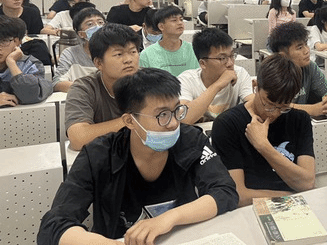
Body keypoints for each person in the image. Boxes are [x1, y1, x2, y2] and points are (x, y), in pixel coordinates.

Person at [39, 67, 238, 245]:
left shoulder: (191, 140)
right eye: (162, 115)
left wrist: (170, 218)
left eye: (177, 110)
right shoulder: (99, 154)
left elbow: (225, 191)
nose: (173, 123)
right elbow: (54, 225)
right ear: (130, 121)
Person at [211, 54, 315, 207]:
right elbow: (238, 195)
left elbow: (307, 182)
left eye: (284, 107)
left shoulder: (300, 120)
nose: (275, 113)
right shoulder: (227, 124)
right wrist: (290, 197)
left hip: (296, 206)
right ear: (256, 86)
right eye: (269, 104)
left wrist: (263, 145)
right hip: (251, 209)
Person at [65, 23, 141, 150]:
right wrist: (135, 120)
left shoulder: (151, 81)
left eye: (133, 52)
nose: (128, 59)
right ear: (99, 63)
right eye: (119, 54)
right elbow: (78, 139)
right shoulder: (84, 88)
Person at [179, 28, 253, 123]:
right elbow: (184, 118)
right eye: (222, 58)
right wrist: (218, 85)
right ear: (203, 63)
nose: (230, 63)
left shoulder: (240, 73)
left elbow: (255, 107)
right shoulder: (186, 80)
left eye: (232, 56)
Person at [269, 22, 327, 116]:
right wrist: (313, 109)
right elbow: (278, 106)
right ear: (283, 54)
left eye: (306, 44)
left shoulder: (310, 67)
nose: (307, 50)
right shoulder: (273, 72)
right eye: (300, 48)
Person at [0, 16, 52, 107]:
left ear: (17, 42)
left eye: (4, 41)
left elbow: (31, 95)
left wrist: (11, 63)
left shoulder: (30, 64)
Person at [52, 7, 104, 93]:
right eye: (90, 24)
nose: (97, 27)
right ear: (81, 34)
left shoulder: (114, 52)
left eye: (100, 22)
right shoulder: (71, 53)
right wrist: (88, 90)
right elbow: (57, 83)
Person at [140, 6, 198, 77]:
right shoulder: (147, 55)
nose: (180, 23)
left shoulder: (194, 50)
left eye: (181, 19)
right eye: (174, 20)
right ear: (161, 26)